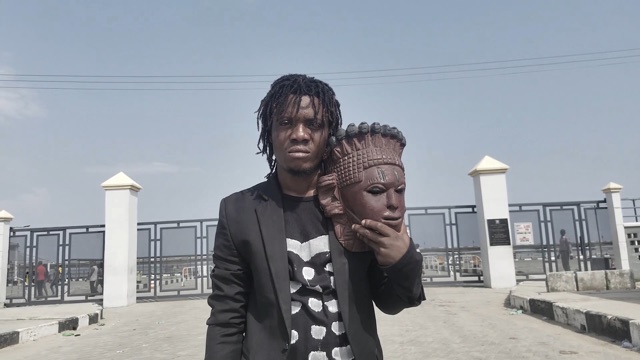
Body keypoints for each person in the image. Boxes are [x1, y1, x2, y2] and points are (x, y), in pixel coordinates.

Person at [205, 74, 425, 360]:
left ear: (328, 134)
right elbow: (226, 316)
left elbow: (391, 302)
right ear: (269, 131)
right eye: (285, 122)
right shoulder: (239, 211)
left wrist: (403, 260)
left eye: (313, 124)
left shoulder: (355, 203)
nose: (299, 133)